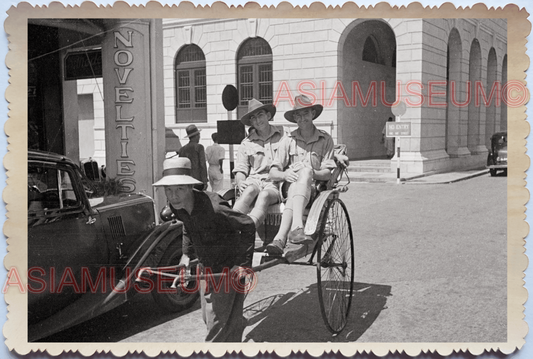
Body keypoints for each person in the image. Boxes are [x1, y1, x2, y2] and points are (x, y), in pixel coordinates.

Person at [153, 157, 255, 342]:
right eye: (169, 190)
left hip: (228, 265)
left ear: (190, 188)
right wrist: (185, 254)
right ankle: (234, 327)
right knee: (209, 317)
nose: (173, 195)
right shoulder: (176, 206)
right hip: (206, 264)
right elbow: (187, 224)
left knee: (216, 324)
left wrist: (242, 265)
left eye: (179, 189)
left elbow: (247, 224)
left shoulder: (215, 208)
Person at [265, 95, 336, 260]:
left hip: (314, 194)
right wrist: (285, 174)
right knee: (296, 183)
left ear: (312, 114)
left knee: (304, 173)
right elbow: (272, 173)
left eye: (305, 113)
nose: (301, 118)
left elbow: (327, 173)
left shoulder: (325, 139)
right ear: (294, 118)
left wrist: (311, 171)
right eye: (298, 115)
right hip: (290, 189)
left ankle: (280, 238)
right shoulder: (288, 140)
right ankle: (297, 227)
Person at [232, 98, 284, 228]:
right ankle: (229, 228)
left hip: (274, 183)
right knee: (249, 190)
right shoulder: (246, 143)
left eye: (260, 115)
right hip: (253, 181)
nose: (258, 120)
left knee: (264, 195)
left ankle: (248, 230)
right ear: (251, 123)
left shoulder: (283, 136)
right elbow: (241, 168)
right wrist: (240, 182)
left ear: (268, 116)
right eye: (253, 118)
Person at [178, 124, 208, 190]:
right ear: (196, 136)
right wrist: (205, 181)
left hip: (186, 180)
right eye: (199, 135)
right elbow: (202, 165)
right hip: (198, 180)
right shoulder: (199, 147)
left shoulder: (182, 150)